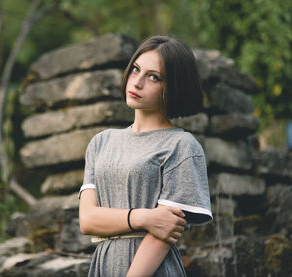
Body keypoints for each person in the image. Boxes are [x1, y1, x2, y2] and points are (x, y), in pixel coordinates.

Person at [79, 35, 212, 277]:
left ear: (174, 86)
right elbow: (87, 220)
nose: (137, 82)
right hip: (104, 265)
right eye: (136, 70)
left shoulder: (181, 146)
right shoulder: (101, 142)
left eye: (153, 77)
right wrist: (143, 217)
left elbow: (164, 232)